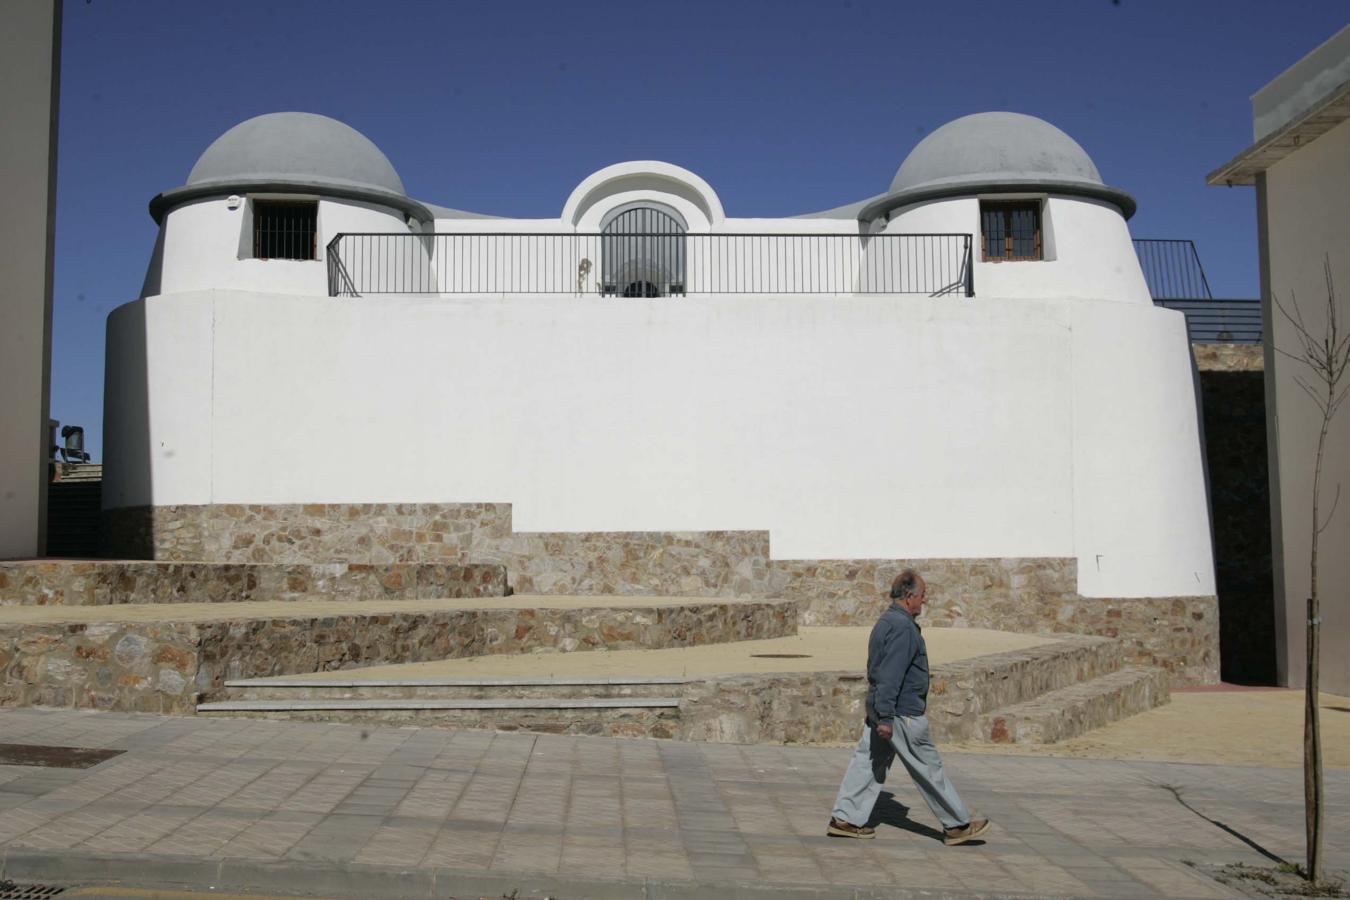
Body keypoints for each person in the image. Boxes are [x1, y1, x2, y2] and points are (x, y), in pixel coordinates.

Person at [827, 569, 990, 846]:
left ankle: (845, 819)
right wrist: (887, 718)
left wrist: (880, 713)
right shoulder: (903, 628)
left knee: (867, 763)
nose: (924, 601)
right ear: (909, 596)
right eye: (922, 595)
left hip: (882, 709)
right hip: (901, 715)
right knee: (928, 767)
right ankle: (956, 824)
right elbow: (891, 674)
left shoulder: (886, 621)